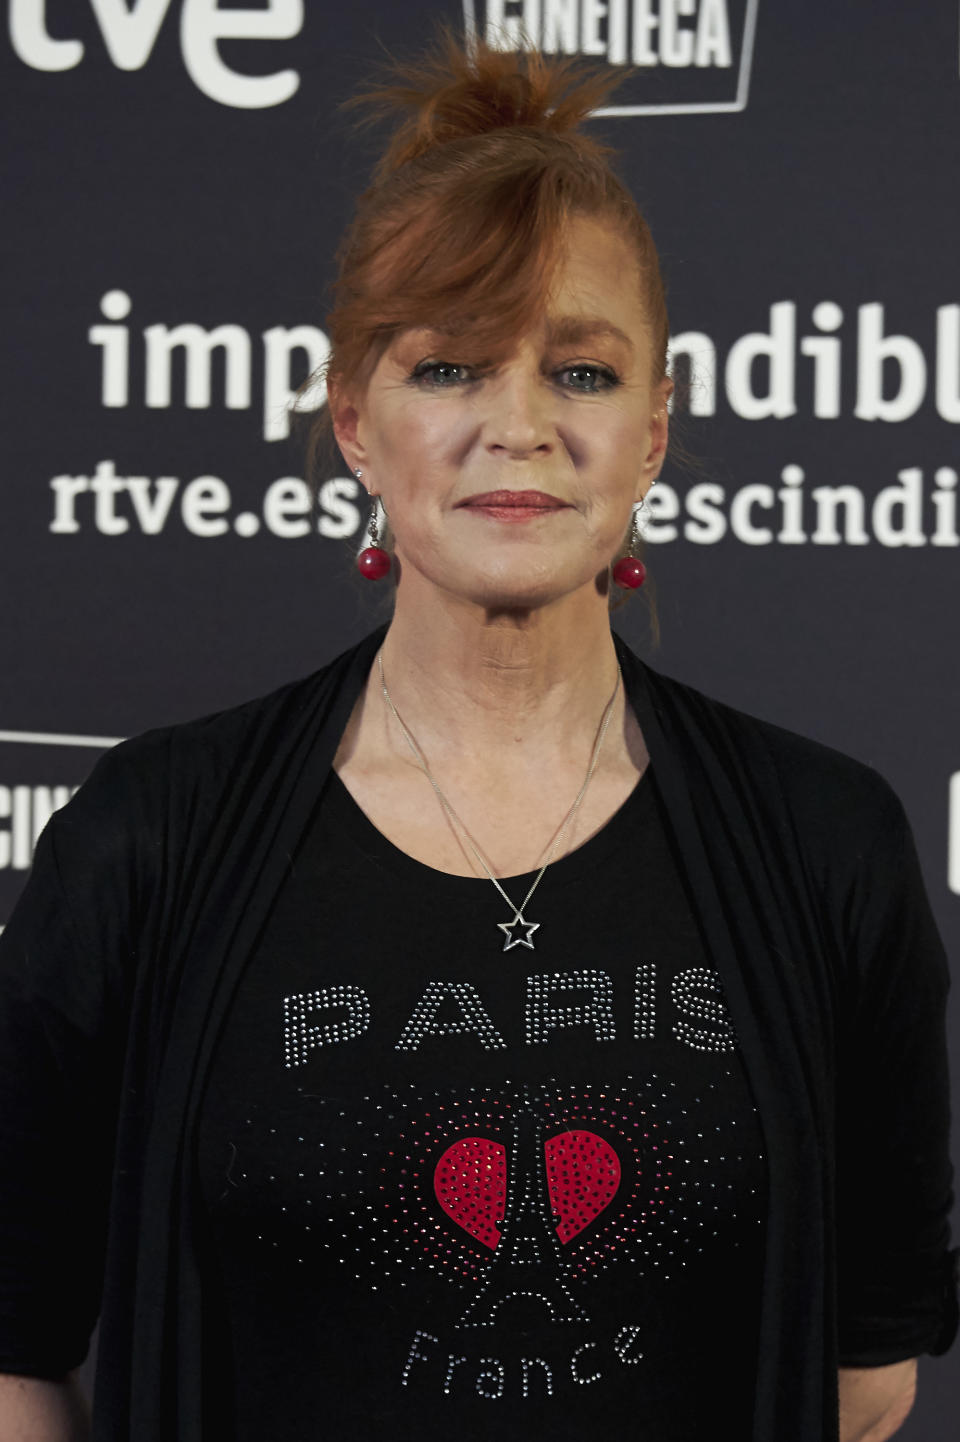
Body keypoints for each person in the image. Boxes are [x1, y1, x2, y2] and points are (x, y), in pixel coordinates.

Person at [0, 25, 957, 1442]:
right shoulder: (149, 840)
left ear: (654, 427)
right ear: (355, 420)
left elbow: (867, 1376)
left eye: (581, 371)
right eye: (448, 367)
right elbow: (14, 1348)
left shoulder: (828, 845)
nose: (518, 424)